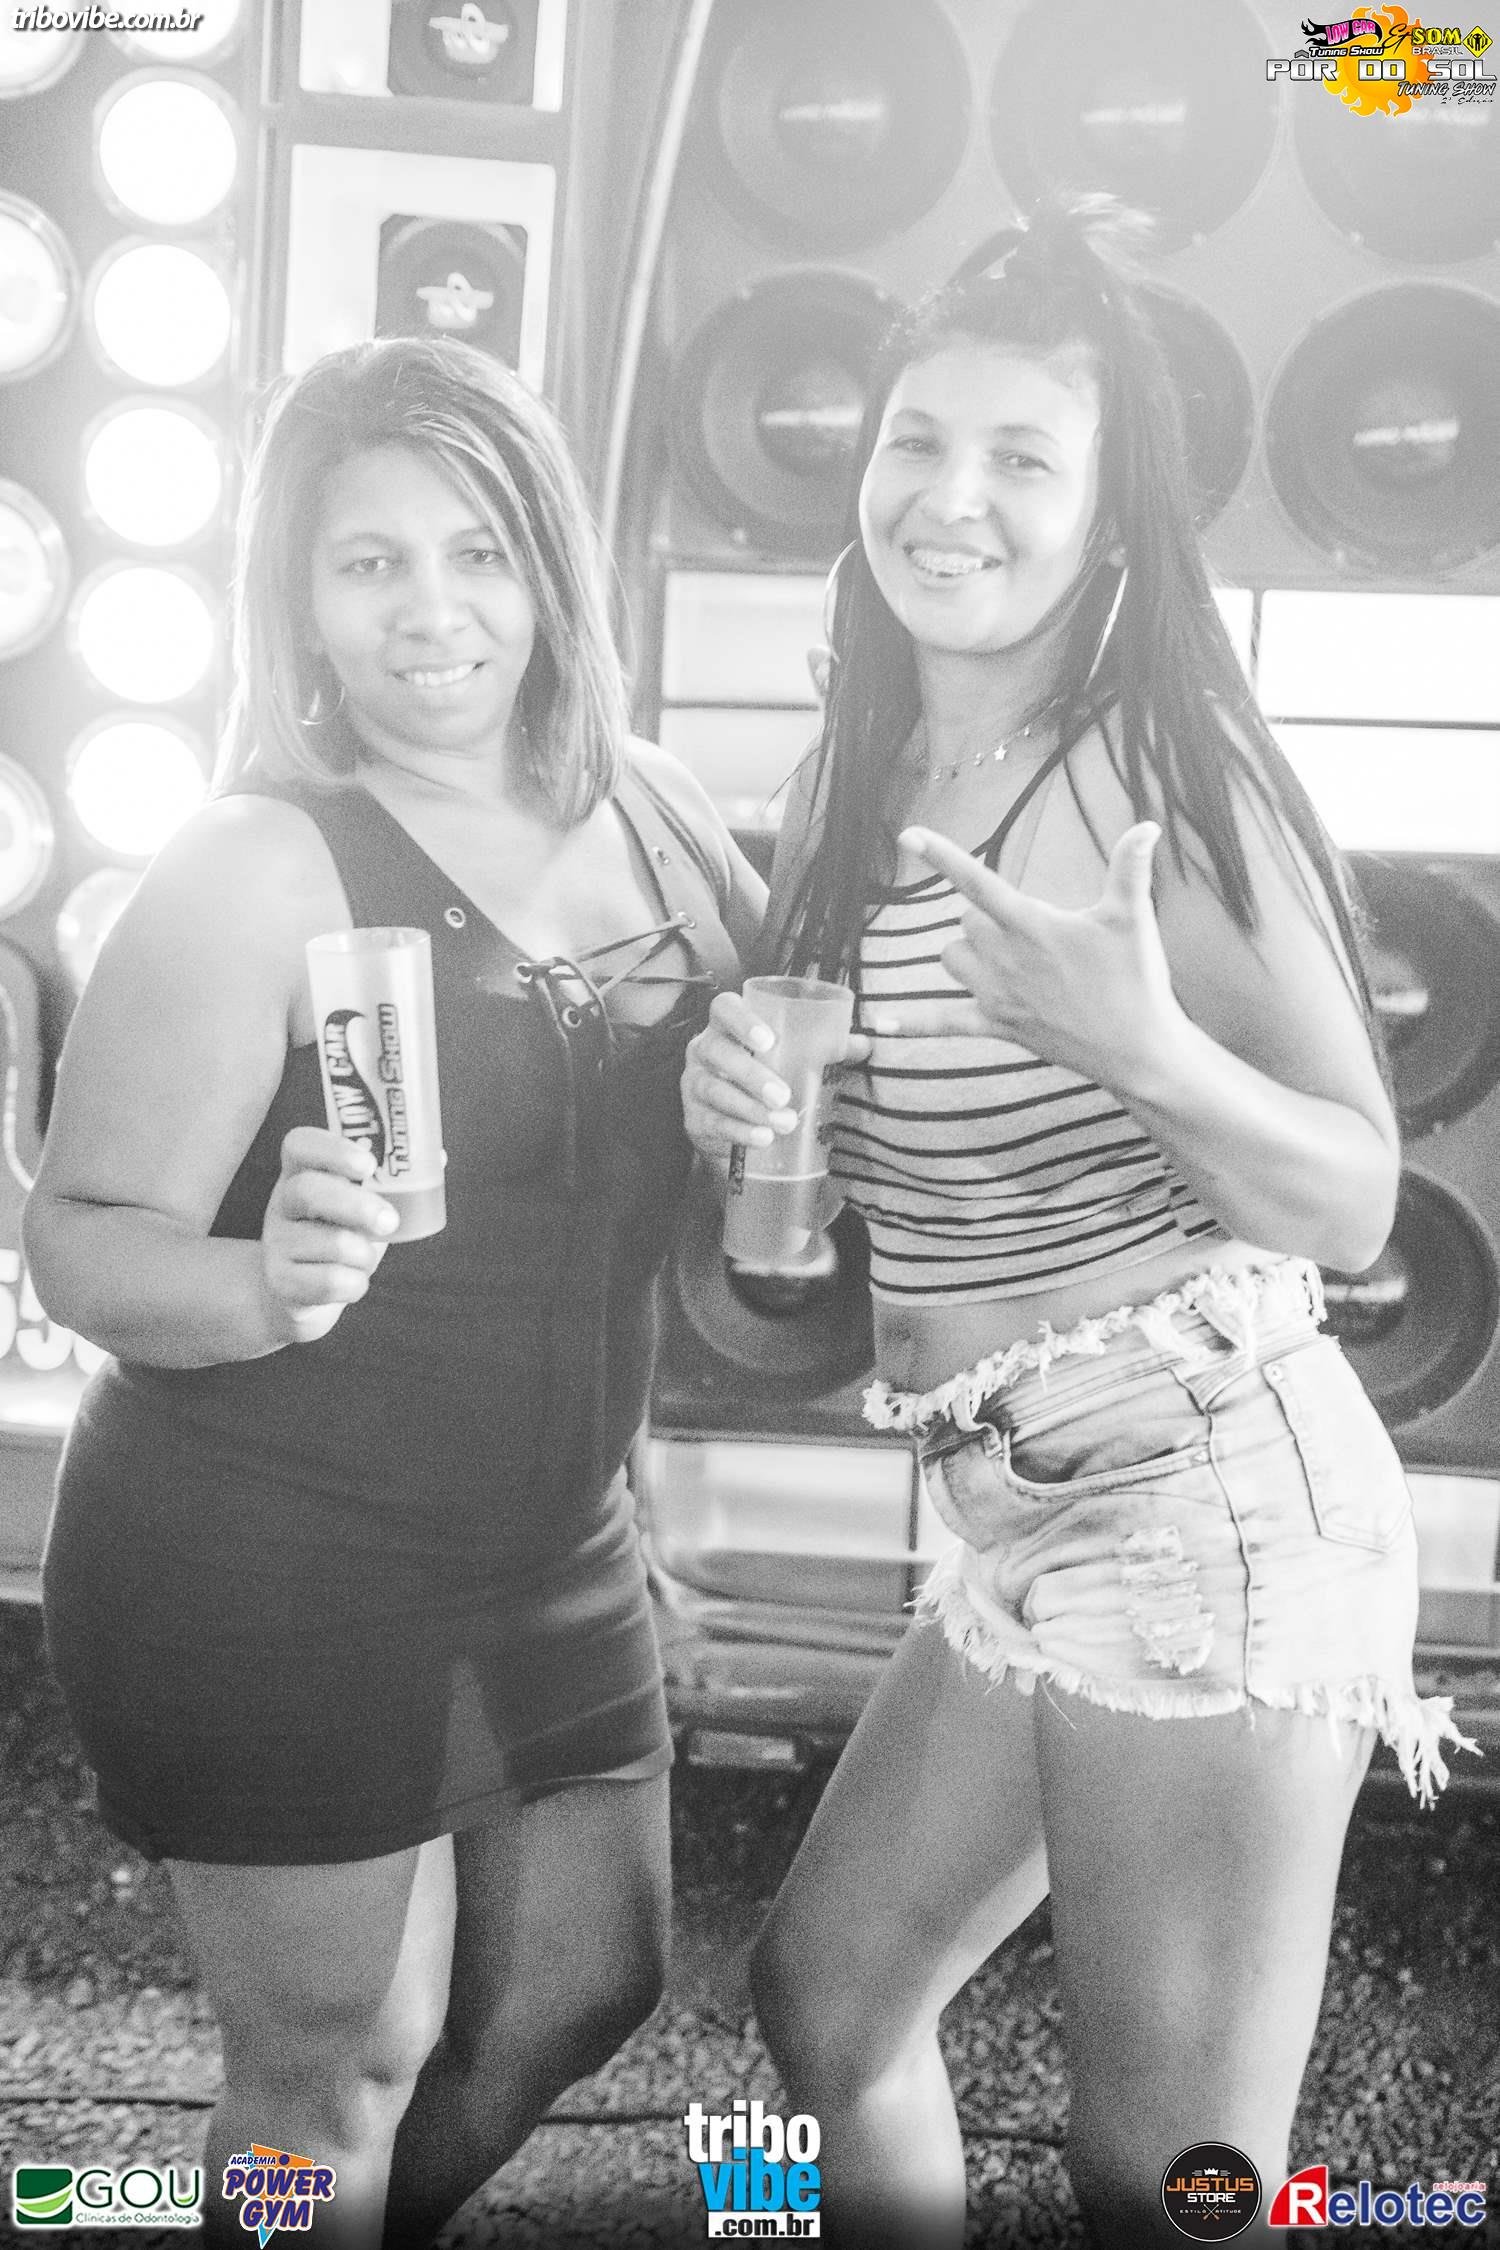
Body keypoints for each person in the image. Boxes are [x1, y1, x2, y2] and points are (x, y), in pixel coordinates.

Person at [680, 200, 1473, 2248]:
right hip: (1019, 1507)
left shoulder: (1159, 777)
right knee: (827, 2003)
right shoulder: (859, 776)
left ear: (1112, 520)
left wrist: (1148, 1048)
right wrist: (735, 1098)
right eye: (916, 442)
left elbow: (1352, 1197)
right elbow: (858, 1155)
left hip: (1208, 1506)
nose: (951, 499)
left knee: (1174, 2182)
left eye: (1023, 458)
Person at [27, 334, 763, 2248]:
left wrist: (757, 1114)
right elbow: (78, 1240)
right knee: (336, 2062)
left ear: (551, 564)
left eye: (477, 551)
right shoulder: (257, 860)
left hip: (553, 1532)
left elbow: (725, 1188)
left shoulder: (662, 813)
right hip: (267, 1543)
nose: (432, 610)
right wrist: (266, 1281)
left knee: (580, 1981)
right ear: (299, 600)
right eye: (370, 563)